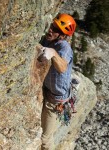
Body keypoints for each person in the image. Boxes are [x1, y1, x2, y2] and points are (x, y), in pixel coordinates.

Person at [37, 13, 76, 150]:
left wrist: (53, 53)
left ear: (63, 36)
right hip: (46, 91)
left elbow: (62, 67)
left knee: (45, 138)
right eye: (52, 26)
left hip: (56, 101)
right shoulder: (48, 40)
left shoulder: (64, 48)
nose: (51, 30)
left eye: (56, 30)